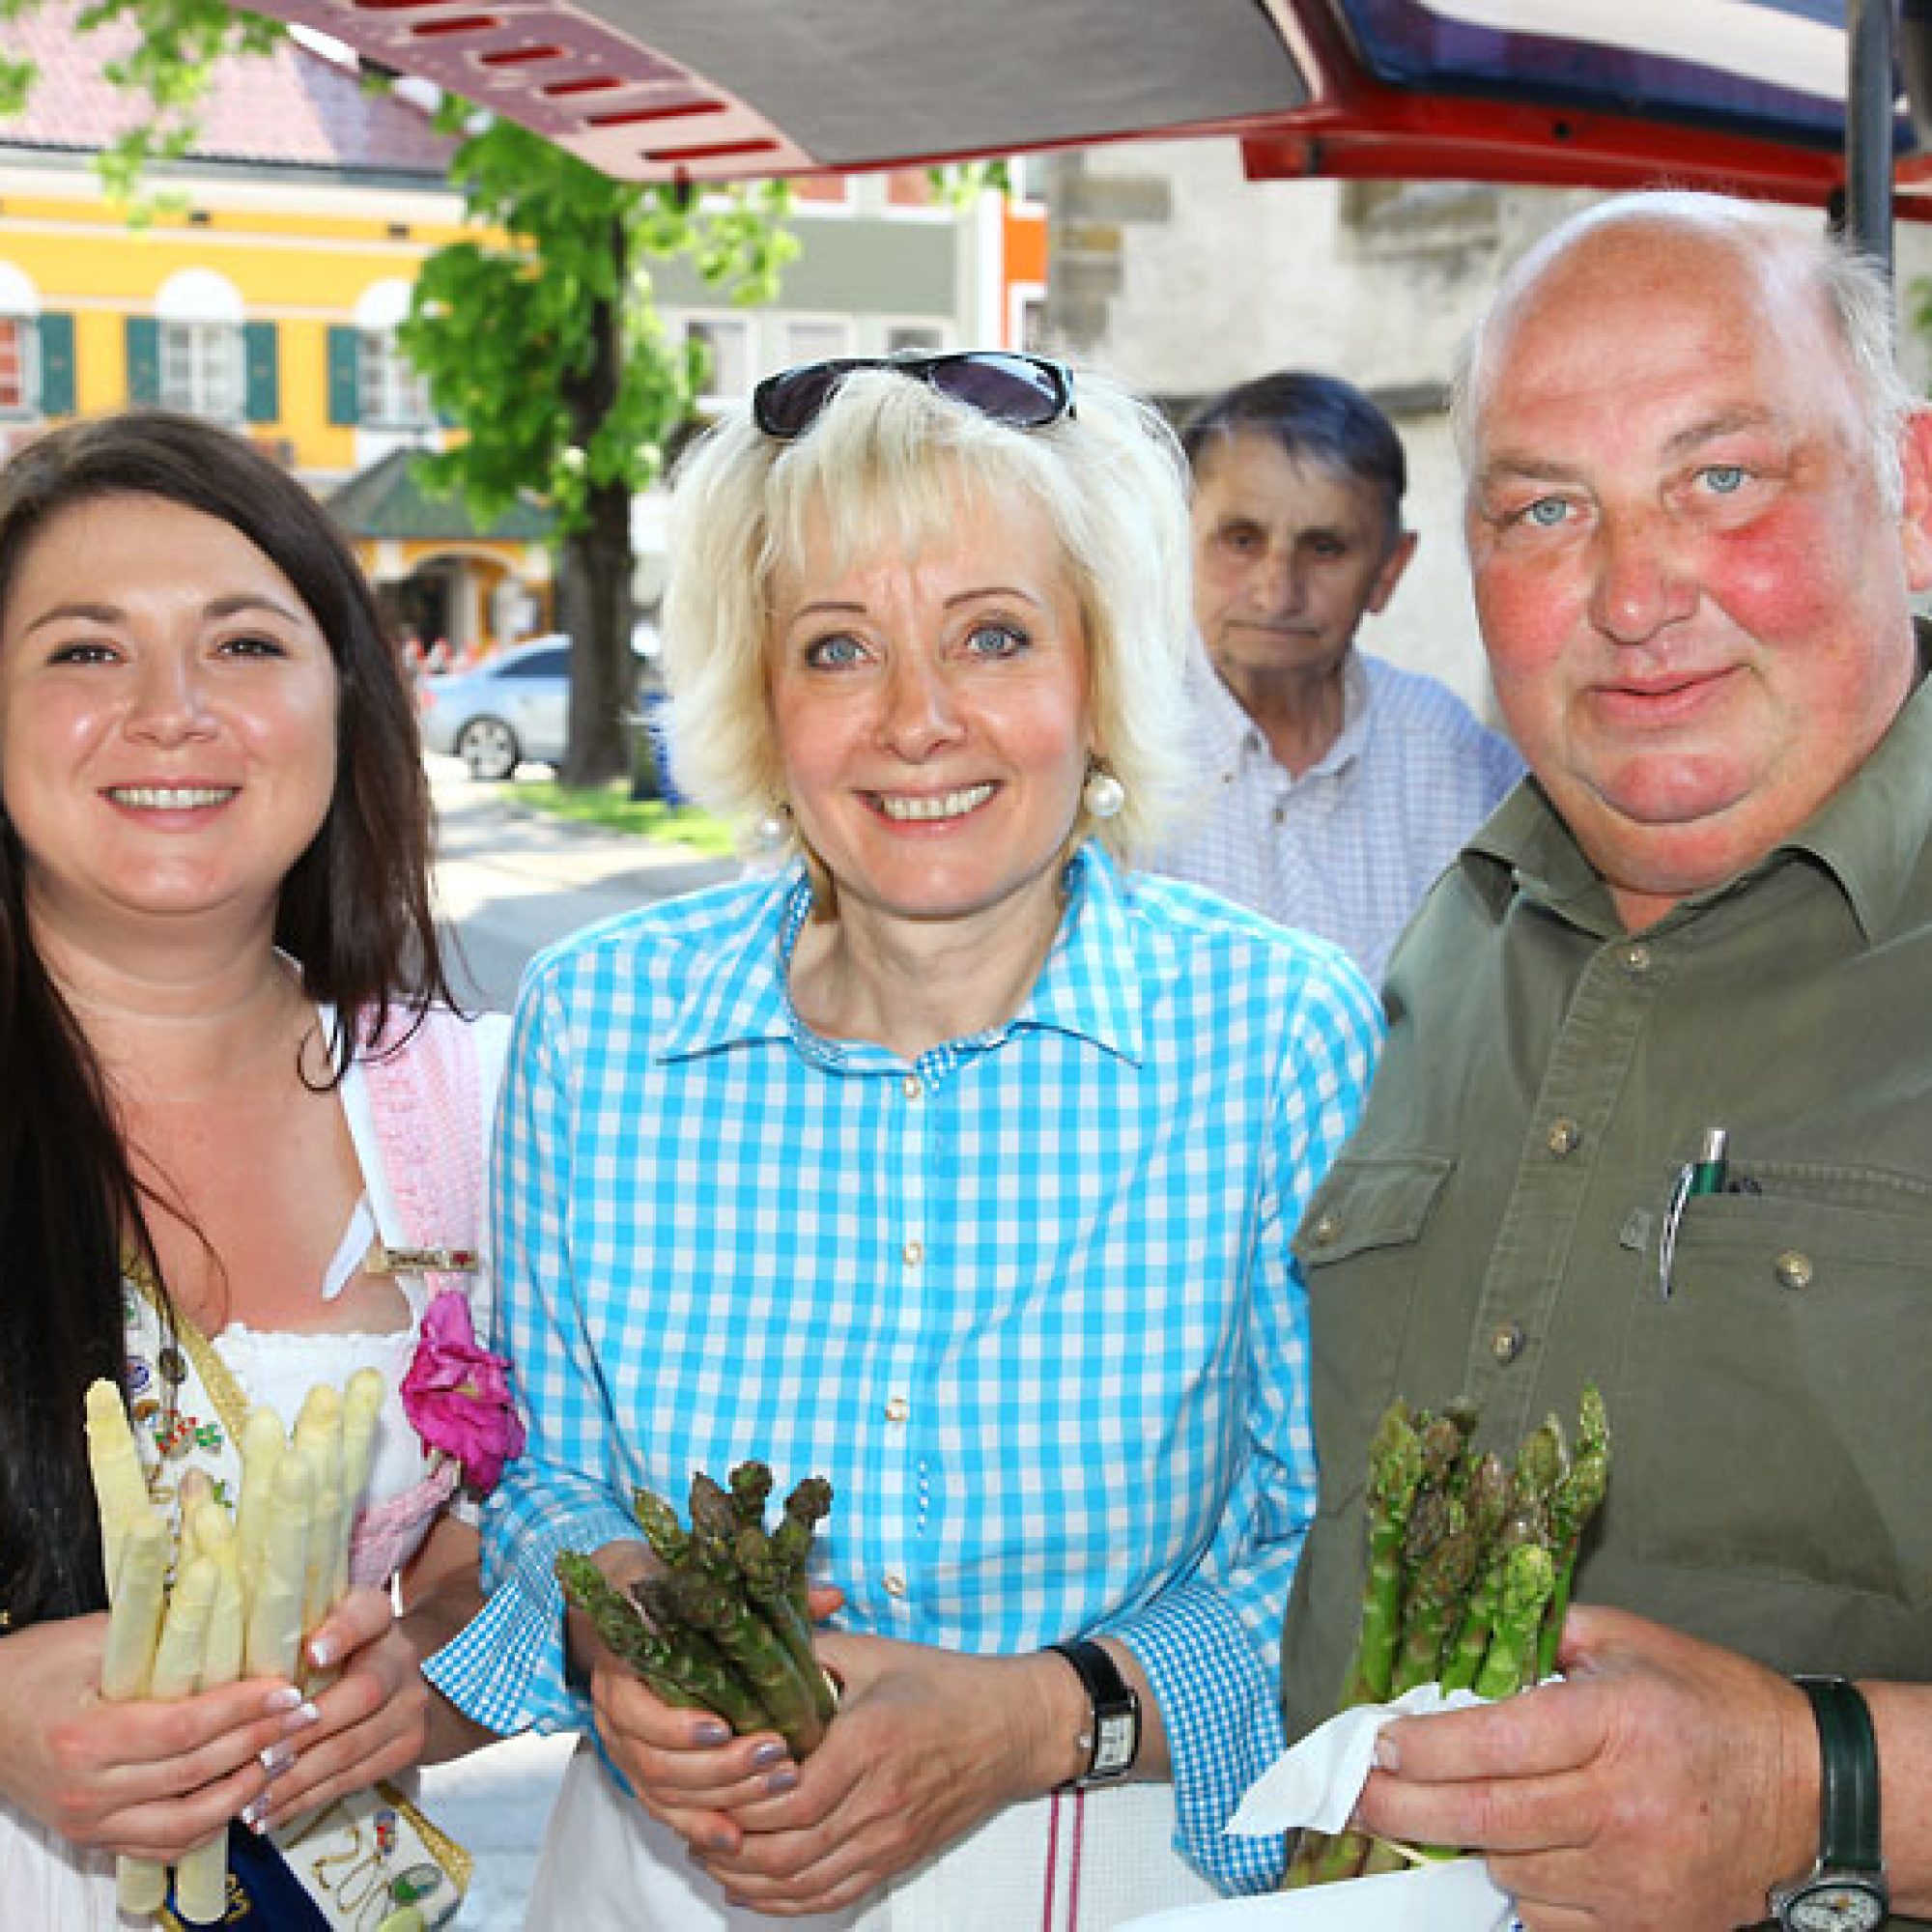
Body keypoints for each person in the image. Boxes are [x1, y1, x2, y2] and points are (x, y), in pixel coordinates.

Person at [426, 350, 1383, 1925]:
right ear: (759, 696)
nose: (916, 723)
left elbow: (1328, 1556)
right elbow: (546, 1483)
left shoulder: (1277, 1035)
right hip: (671, 1877)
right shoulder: (598, 1028)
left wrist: (1042, 1715)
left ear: (1099, 673)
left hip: (1114, 1864)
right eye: (837, 649)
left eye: (992, 637)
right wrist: (635, 1629)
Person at [1278, 190, 1932, 1929]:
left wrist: (1816, 1785)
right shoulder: (1442, 947)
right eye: (1547, 508)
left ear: (1915, 496)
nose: (1636, 593)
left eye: (1724, 478)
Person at [0, 409, 510, 1922]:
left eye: (242, 646)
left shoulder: (461, 1106)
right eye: (86, 652)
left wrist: (427, 1678)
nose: (171, 713)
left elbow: (525, 1548)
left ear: (347, 702)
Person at [1151, 371, 1521, 982]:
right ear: (1174, 543)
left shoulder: (1454, 763)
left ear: (1387, 572)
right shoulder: (1101, 744)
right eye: (1240, 541)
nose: (1276, 593)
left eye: (1324, 549)